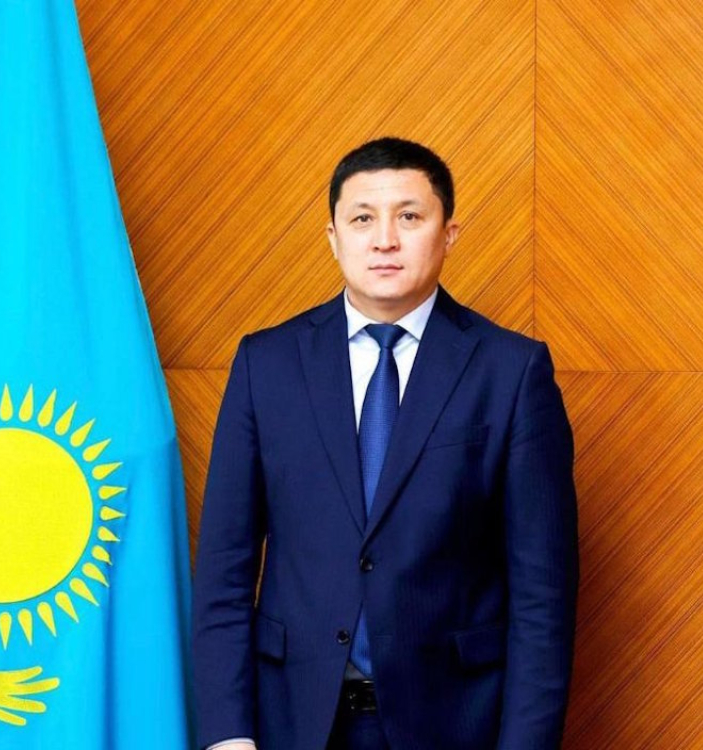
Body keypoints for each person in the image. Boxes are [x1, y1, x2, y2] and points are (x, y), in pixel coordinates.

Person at [191, 137, 580, 750]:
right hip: (292, 722)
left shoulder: (511, 372)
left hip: (454, 725)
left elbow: (543, 597)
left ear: (449, 233)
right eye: (363, 219)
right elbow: (224, 570)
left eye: (410, 216)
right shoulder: (266, 364)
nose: (385, 240)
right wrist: (226, 735)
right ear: (333, 236)